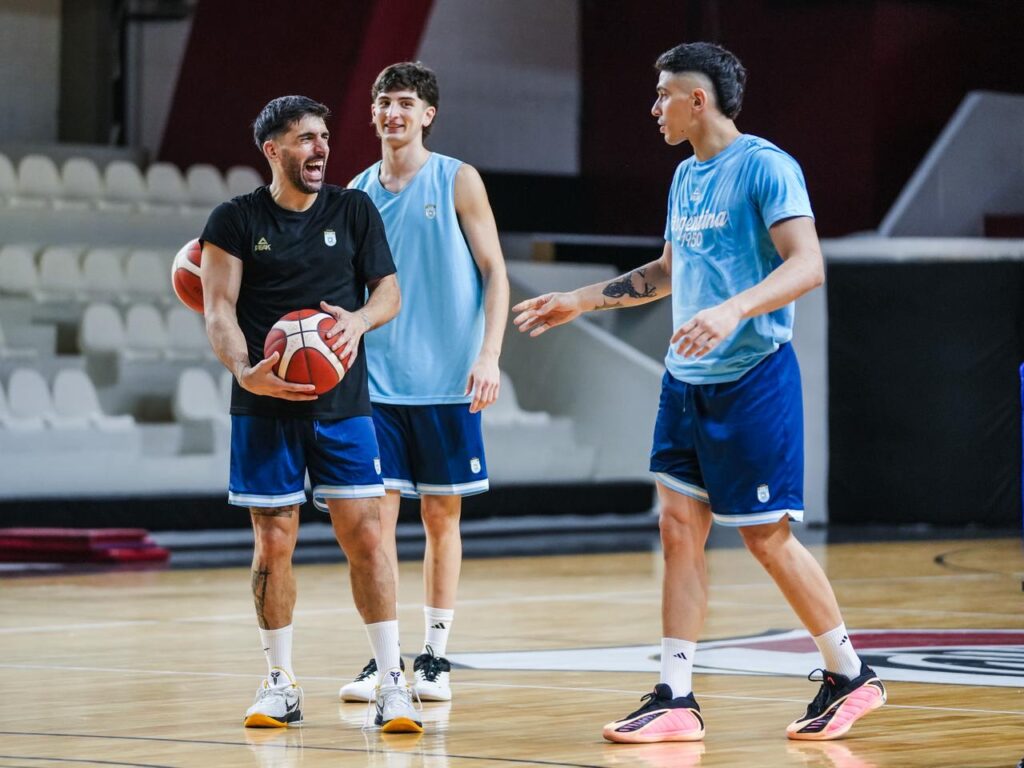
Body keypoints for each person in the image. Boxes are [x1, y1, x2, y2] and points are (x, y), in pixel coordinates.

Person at [513, 42, 886, 742]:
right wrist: (580, 301)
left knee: (766, 539)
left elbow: (807, 265)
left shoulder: (767, 166)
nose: (654, 108)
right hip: (685, 382)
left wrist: (732, 310)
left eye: (663, 95)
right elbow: (666, 271)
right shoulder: (686, 176)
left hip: (753, 377)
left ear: (697, 99)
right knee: (677, 530)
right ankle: (676, 697)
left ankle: (850, 673)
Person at [201, 94, 422, 733]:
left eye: (324, 136)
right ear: (273, 150)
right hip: (263, 405)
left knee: (368, 537)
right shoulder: (234, 219)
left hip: (344, 406)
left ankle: (392, 682)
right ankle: (280, 683)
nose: (321, 147)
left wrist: (358, 320)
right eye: (306, 138)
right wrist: (245, 371)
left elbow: (389, 293)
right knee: (273, 543)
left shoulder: (354, 210)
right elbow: (218, 310)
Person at [338, 61, 509, 704]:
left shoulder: (457, 179)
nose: (393, 112)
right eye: (384, 101)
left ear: (427, 114)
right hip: (378, 383)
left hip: (447, 380)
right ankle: (385, 659)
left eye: (406, 102)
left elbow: (495, 272)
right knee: (373, 524)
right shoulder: (357, 192)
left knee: (441, 516)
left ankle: (434, 654)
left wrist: (489, 355)